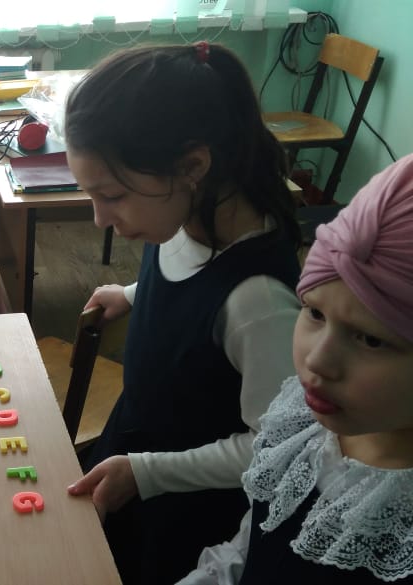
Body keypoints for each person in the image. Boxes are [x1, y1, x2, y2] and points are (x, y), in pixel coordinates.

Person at [62, 42, 303, 584]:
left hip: (184, 503)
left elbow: (274, 448)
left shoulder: (259, 304)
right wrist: (133, 293)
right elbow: (187, 280)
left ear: (193, 166)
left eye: (112, 196)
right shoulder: (188, 215)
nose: (100, 219)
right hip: (136, 444)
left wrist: (149, 473)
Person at [179, 154, 413, 584]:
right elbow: (250, 548)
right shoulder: (303, 424)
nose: (316, 361)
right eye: (315, 313)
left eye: (371, 339)